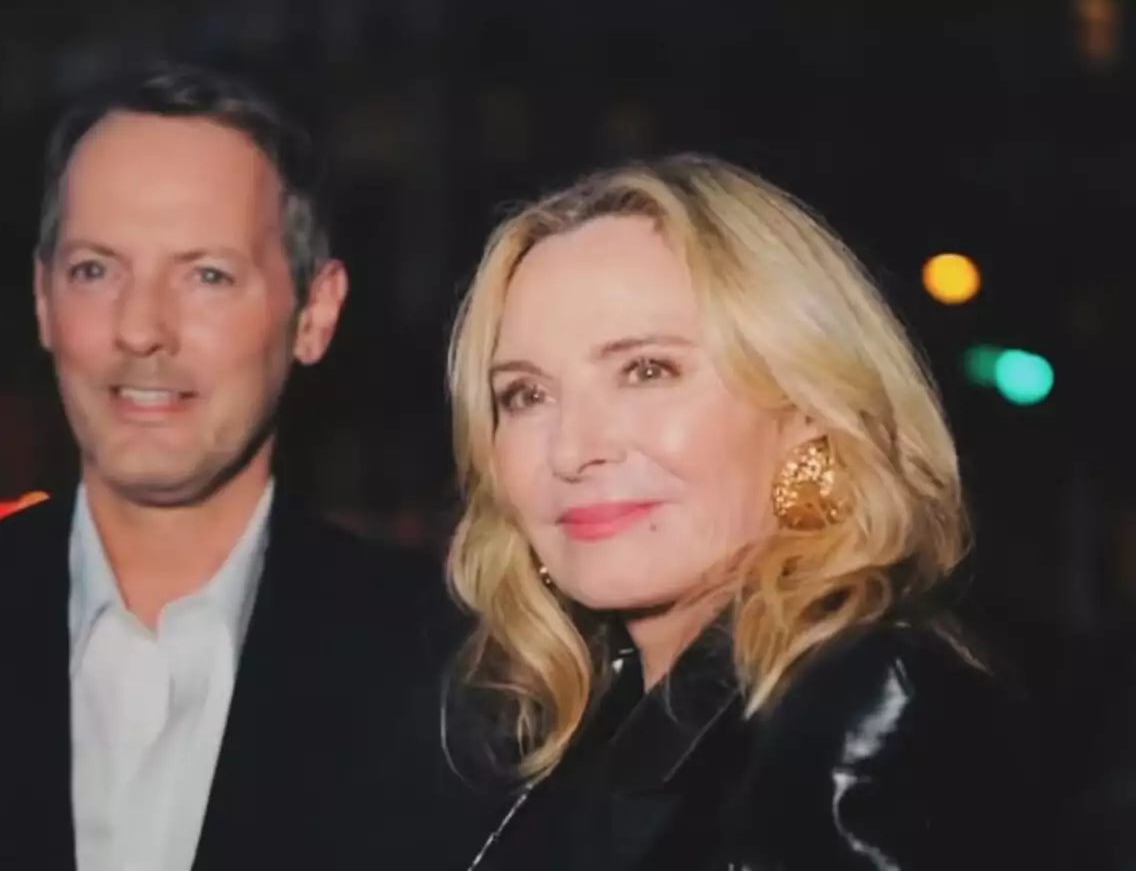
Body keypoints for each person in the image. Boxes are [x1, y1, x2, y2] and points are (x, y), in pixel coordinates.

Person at [0, 63, 495, 871]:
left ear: (315, 312)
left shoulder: (451, 679)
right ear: (43, 299)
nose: (141, 328)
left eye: (207, 275)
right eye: (96, 269)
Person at [442, 154, 1047, 870]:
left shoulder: (863, 715)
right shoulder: (593, 728)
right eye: (525, 395)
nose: (572, 449)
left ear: (807, 410)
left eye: (646, 370)